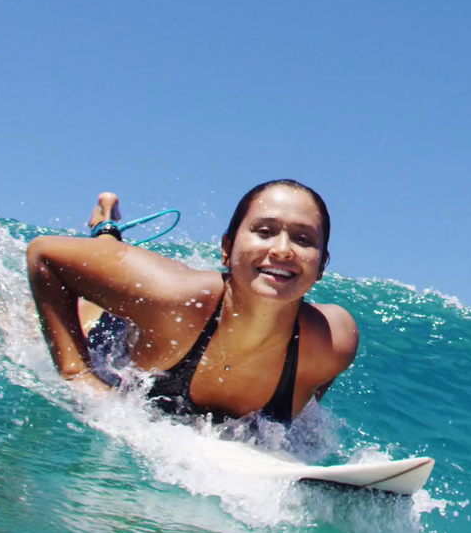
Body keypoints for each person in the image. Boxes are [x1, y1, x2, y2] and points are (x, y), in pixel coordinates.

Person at [26, 180, 358, 424]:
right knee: (32, 319)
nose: (283, 250)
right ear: (226, 249)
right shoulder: (179, 299)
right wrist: (77, 373)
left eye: (303, 240)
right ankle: (105, 226)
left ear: (321, 267)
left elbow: (307, 399)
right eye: (265, 231)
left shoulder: (333, 342)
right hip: (111, 336)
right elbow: (43, 254)